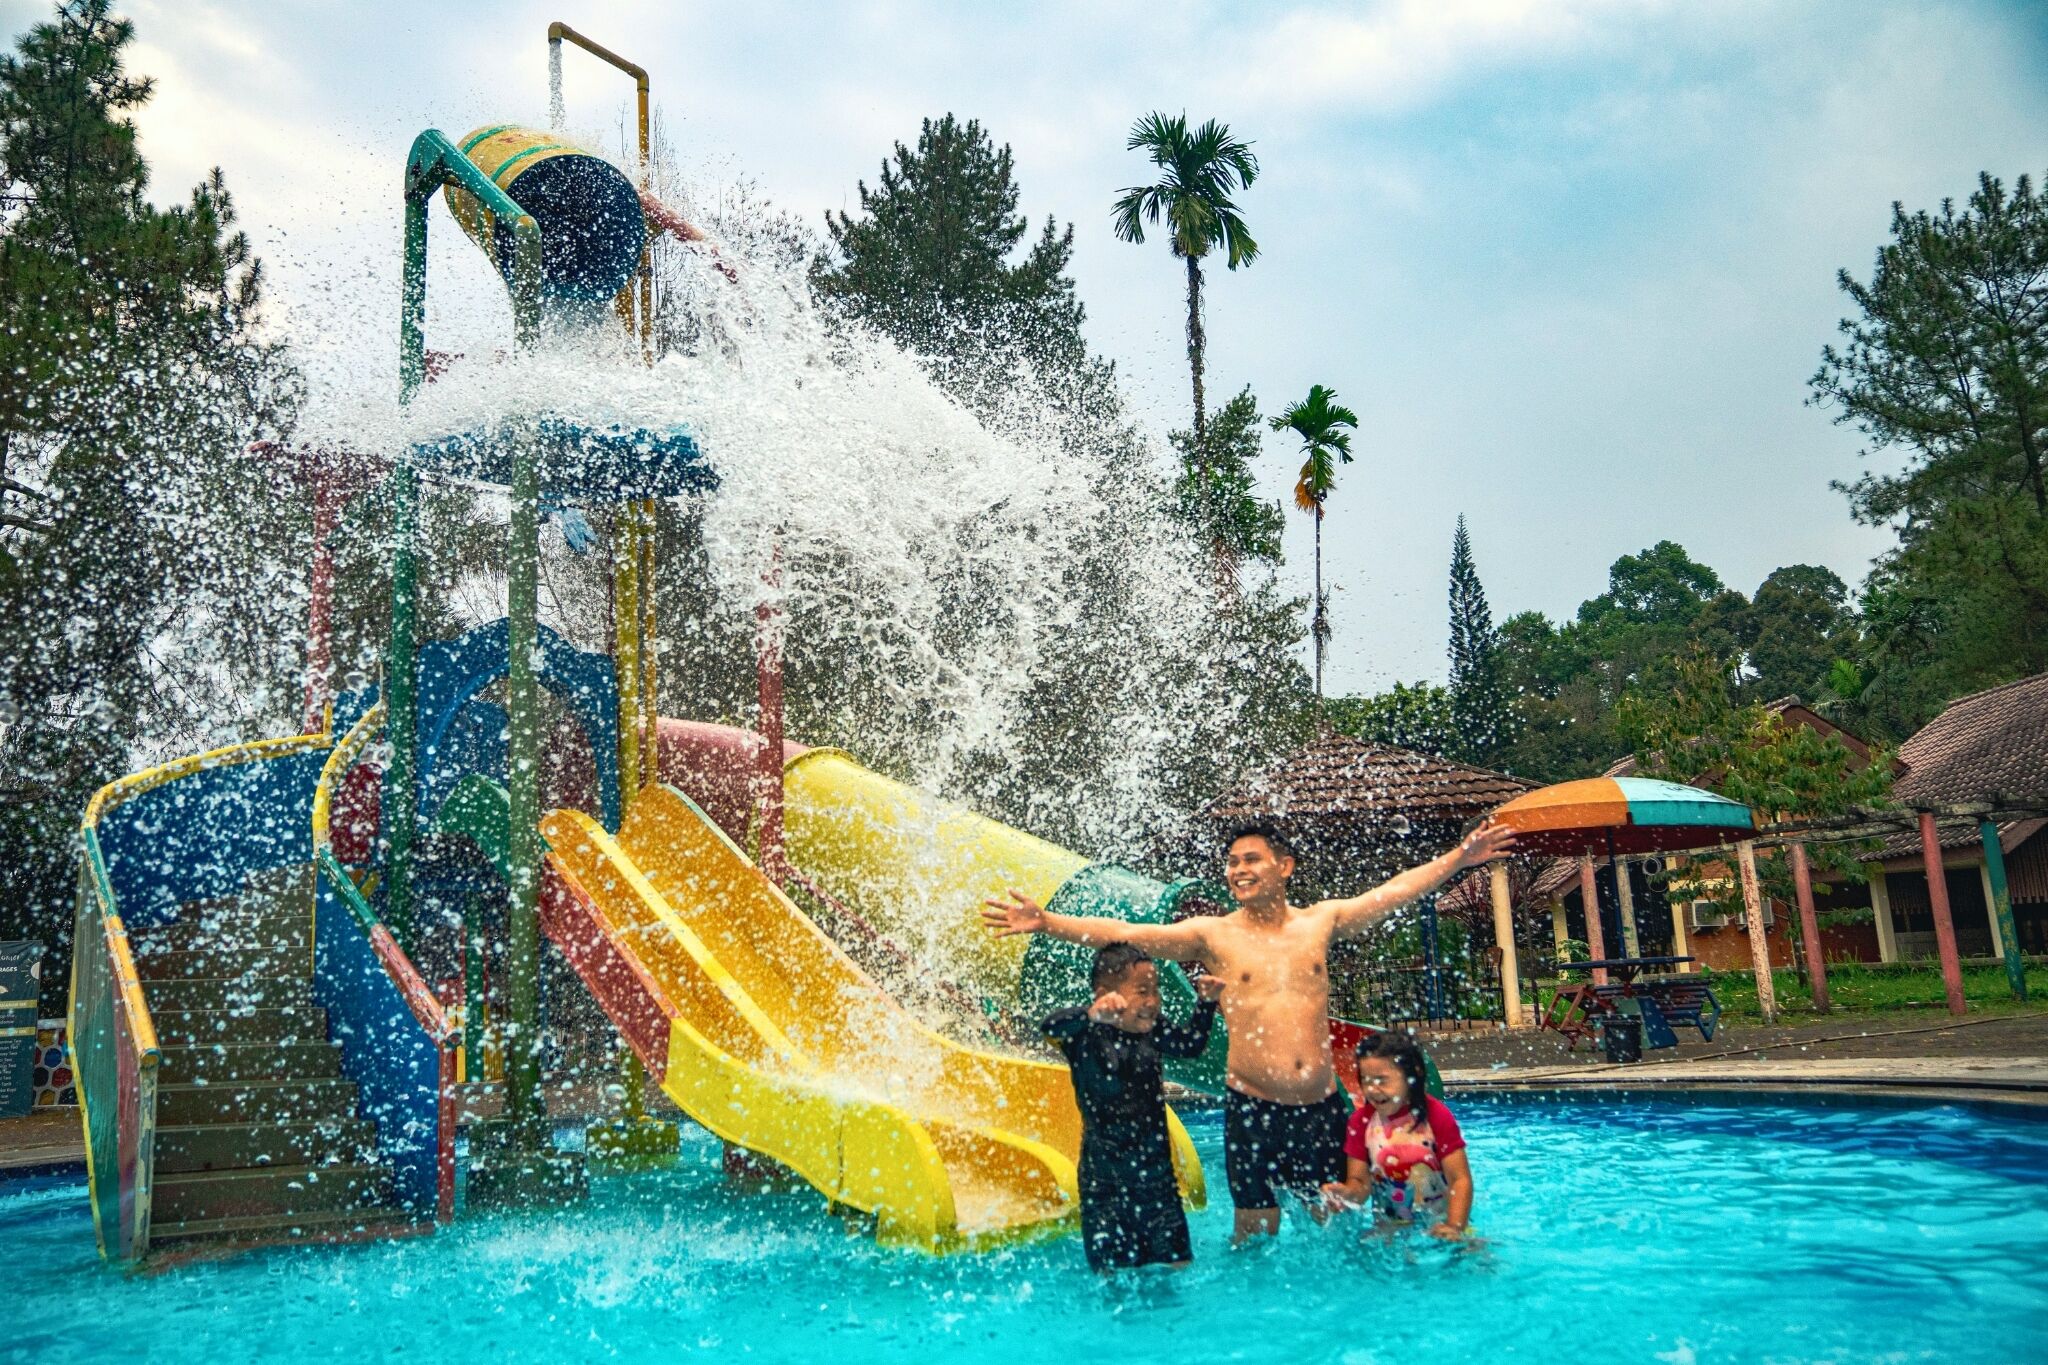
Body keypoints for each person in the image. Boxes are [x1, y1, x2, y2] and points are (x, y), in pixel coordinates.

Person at [985, 819, 1513, 1241]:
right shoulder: (1212, 934)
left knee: (1334, 1222)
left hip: (1320, 1109)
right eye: (1233, 862)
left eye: (1251, 859)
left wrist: (1458, 858)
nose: (1239, 870)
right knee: (1254, 1231)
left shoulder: (1320, 922)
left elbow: (1392, 892)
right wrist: (1048, 922)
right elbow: (1126, 932)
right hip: (1252, 1111)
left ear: (1284, 866)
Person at [1043, 942, 1222, 1271]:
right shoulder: (1083, 1036)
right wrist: (1090, 1014)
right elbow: (1050, 1025)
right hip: (1105, 1185)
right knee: (1111, 1276)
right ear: (1105, 994)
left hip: (1158, 1181)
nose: (1152, 1001)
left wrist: (1206, 1004)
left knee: (1178, 1266)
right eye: (1142, 992)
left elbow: (1190, 1045)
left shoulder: (1153, 1030)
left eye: (1155, 991)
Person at [1319, 1032, 1474, 1238]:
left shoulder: (1436, 1116)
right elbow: (1360, 1182)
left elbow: (1459, 1179)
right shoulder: (1360, 1122)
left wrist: (1454, 1226)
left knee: (1473, 1249)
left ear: (1412, 1076)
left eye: (1381, 1080)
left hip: (1441, 1223)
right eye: (1365, 1080)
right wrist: (1347, 1194)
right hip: (1390, 1228)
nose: (1372, 1089)